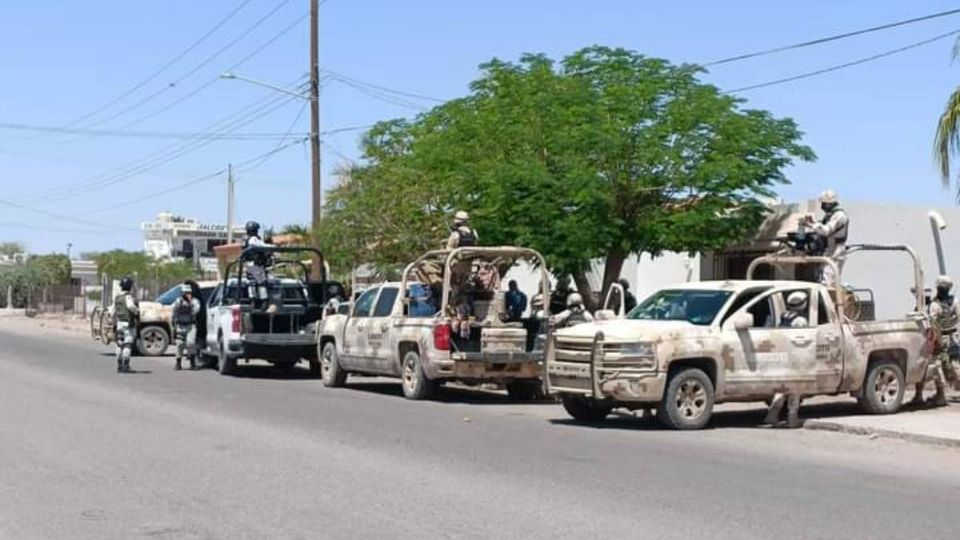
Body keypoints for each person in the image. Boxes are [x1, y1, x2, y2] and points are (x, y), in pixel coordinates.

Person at [808, 190, 850, 288]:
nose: (822, 206)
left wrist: (812, 225)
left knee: (828, 280)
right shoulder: (831, 215)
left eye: (824, 203)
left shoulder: (839, 216)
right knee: (826, 279)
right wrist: (813, 223)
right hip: (829, 249)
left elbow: (826, 230)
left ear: (830, 203)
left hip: (836, 251)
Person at [929, 275, 959, 398]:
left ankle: (941, 394)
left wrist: (937, 340)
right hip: (954, 337)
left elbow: (933, 323)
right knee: (954, 363)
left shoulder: (935, 305)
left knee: (937, 364)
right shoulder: (955, 301)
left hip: (943, 337)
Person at [242, 220, 275, 312]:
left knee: (252, 282)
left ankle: (253, 301)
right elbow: (261, 246)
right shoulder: (253, 239)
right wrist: (272, 246)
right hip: (256, 265)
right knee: (261, 283)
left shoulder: (246, 239)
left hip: (250, 265)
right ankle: (264, 301)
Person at [171, 283, 201, 371]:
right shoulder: (178, 301)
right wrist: (173, 322)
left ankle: (192, 362)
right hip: (180, 325)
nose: (188, 294)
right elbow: (173, 312)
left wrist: (190, 303)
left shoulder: (194, 301)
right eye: (186, 292)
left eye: (189, 292)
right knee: (179, 344)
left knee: (190, 343)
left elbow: (196, 310)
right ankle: (178, 363)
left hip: (190, 325)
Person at [113, 276, 139, 373]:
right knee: (127, 345)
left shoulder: (117, 297)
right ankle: (125, 365)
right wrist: (137, 312)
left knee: (119, 344)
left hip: (119, 323)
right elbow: (131, 306)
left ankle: (119, 365)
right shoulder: (128, 297)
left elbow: (112, 310)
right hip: (127, 324)